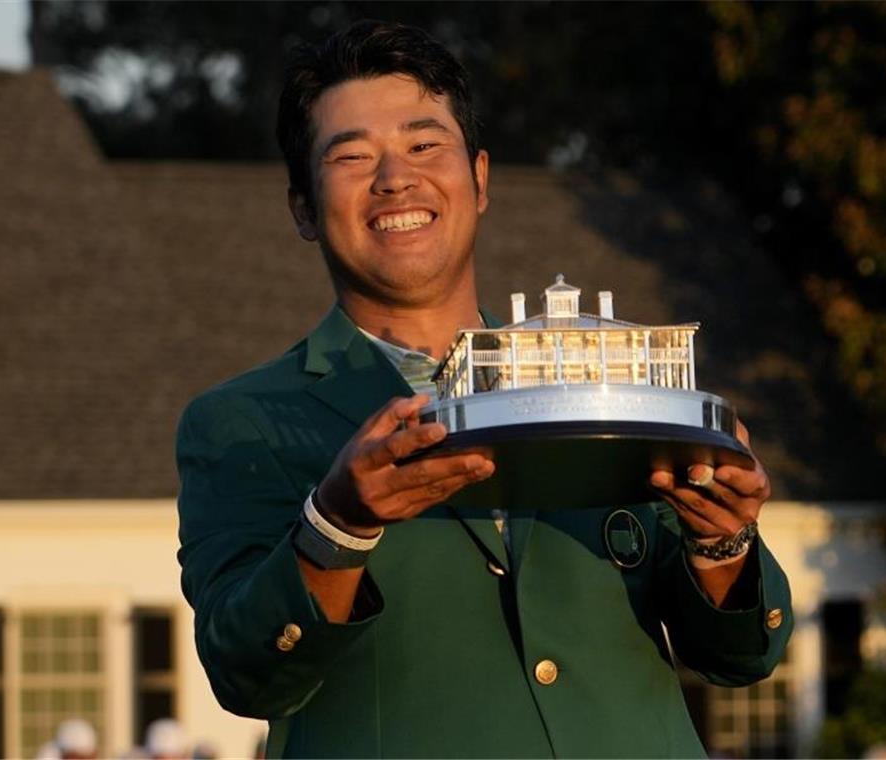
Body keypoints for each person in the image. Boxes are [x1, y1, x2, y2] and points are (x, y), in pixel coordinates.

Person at [176, 19, 792, 758]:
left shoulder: (604, 384)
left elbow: (739, 656)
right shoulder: (242, 422)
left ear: (480, 179)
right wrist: (336, 526)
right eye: (352, 156)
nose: (395, 177)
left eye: (423, 144)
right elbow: (247, 675)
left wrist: (720, 539)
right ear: (303, 208)